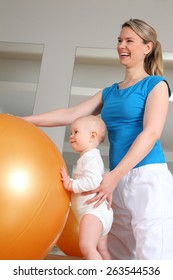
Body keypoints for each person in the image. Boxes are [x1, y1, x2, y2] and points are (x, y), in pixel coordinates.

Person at [22, 18, 173, 260]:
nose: (122, 45)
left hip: (147, 178)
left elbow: (151, 132)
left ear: (148, 47)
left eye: (129, 41)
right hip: (115, 181)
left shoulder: (156, 85)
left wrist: (114, 176)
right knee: (117, 256)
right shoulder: (110, 92)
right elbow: (71, 114)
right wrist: (24, 120)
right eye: (120, 40)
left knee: (154, 258)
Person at [60, 115, 113, 260]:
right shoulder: (88, 157)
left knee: (87, 247)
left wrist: (71, 184)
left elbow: (92, 181)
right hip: (98, 212)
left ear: (92, 136)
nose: (71, 136)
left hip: (93, 212)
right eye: (71, 132)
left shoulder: (90, 157)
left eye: (76, 132)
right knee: (101, 249)